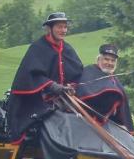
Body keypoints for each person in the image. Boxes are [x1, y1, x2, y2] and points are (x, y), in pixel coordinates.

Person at [5, 12, 84, 140]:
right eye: (59, 27)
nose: (63, 30)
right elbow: (30, 75)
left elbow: (78, 73)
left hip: (65, 100)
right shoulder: (37, 48)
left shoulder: (68, 49)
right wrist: (53, 86)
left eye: (65, 27)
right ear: (49, 28)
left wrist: (71, 86)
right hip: (40, 101)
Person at [76, 43, 134, 132]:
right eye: (106, 59)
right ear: (99, 59)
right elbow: (84, 94)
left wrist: (123, 125)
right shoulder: (89, 71)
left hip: (111, 124)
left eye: (113, 60)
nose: (109, 63)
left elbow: (122, 108)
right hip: (86, 121)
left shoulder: (114, 79)